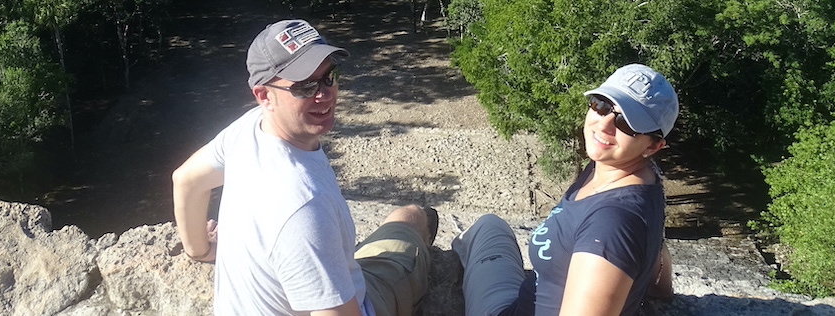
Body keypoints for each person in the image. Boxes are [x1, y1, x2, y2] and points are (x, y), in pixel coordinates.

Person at [172, 18, 437, 316]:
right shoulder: (305, 207)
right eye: (305, 86)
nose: (324, 94)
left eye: (329, 76)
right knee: (412, 217)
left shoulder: (247, 129)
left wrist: (201, 251)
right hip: (355, 302)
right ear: (264, 96)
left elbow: (185, 180)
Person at [452, 63, 678, 316]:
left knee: (474, 228)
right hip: (526, 300)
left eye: (627, 123)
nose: (604, 125)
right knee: (490, 224)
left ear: (653, 147)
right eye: (601, 105)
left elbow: (620, 235)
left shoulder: (610, 226)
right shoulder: (639, 175)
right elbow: (654, 240)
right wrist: (662, 290)